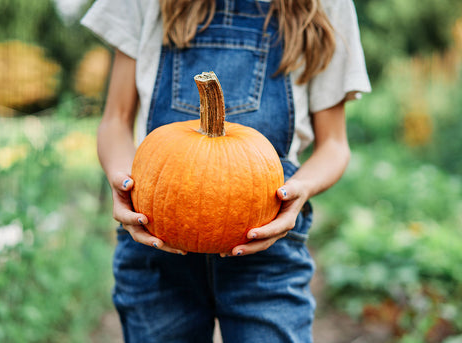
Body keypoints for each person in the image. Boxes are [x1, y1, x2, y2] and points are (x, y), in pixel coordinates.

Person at [81, 0, 371, 342]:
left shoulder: (324, 4)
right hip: (156, 237)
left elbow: (334, 145)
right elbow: (115, 120)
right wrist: (122, 179)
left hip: (267, 239)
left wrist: (300, 189)